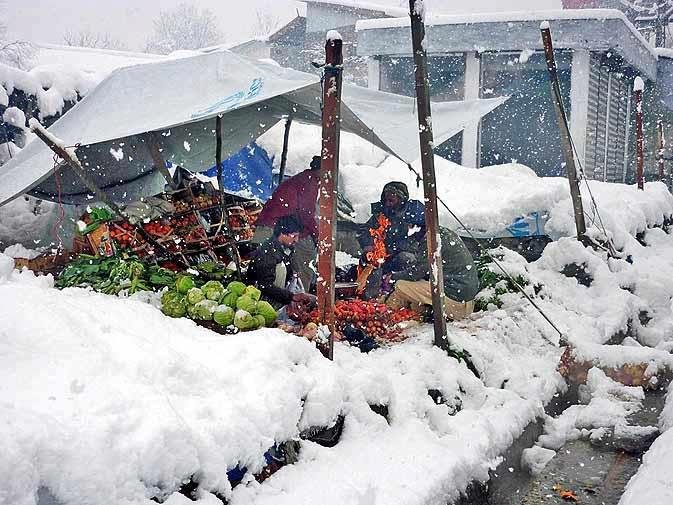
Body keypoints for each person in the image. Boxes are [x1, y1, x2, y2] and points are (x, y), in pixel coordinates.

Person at [254, 155, 321, 291]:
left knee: (264, 272)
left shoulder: (304, 178)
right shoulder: (310, 181)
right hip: (274, 227)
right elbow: (306, 213)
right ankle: (301, 299)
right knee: (305, 262)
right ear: (322, 171)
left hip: (268, 225)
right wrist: (316, 235)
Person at [384, 226, 479, 321]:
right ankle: (420, 311)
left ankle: (385, 315)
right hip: (466, 301)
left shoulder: (431, 240)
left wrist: (393, 277)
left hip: (456, 304)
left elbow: (416, 273)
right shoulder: (442, 232)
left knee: (401, 285)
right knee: (414, 296)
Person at [358, 181, 426, 299]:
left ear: (401, 200)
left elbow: (422, 238)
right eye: (386, 200)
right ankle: (369, 295)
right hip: (384, 255)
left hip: (403, 255)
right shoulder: (382, 212)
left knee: (406, 258)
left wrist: (398, 248)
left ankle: (399, 293)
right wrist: (368, 245)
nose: (388, 204)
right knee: (370, 259)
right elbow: (365, 231)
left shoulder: (414, 214)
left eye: (391, 201)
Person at [247, 215, 316, 310]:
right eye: (294, 236)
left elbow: (289, 277)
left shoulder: (286, 248)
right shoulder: (268, 252)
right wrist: (291, 297)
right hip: (260, 301)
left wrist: (293, 294)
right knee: (281, 266)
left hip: (277, 296)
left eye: (297, 236)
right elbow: (265, 286)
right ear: (282, 233)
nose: (296, 240)